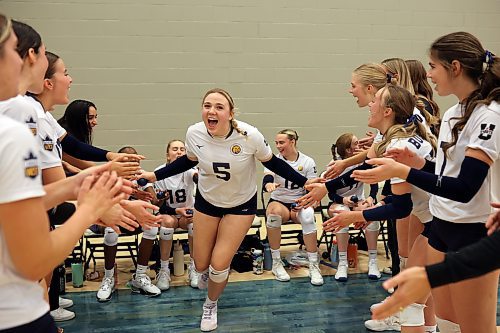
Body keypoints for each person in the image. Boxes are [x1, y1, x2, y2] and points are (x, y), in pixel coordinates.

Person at [353, 32, 500, 333]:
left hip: (472, 231)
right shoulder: (453, 112)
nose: (428, 73)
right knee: (446, 323)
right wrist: (418, 163)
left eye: (433, 66)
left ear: (455, 67)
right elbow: (447, 176)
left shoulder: (489, 116)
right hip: (442, 226)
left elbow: (464, 188)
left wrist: (403, 172)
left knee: (476, 328)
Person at [140, 88, 319, 332]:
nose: (211, 111)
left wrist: (304, 181)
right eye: (207, 105)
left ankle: (210, 305)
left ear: (231, 113)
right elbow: (188, 160)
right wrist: (154, 174)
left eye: (219, 107)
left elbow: (273, 163)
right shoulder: (194, 133)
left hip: (241, 205)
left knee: (219, 263)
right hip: (207, 202)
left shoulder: (249, 135)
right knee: (201, 264)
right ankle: (206, 275)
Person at [0, 13, 134, 332]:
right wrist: (90, 211)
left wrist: (100, 190)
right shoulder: (18, 119)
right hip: (13, 310)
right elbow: (34, 259)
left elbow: (38, 192)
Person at [300, 83, 438, 333]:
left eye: (376, 99)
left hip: (447, 224)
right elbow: (361, 174)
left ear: (388, 110)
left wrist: (357, 215)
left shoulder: (398, 146)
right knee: (415, 297)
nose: (370, 103)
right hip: (437, 222)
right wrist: (329, 186)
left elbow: (401, 208)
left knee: (412, 303)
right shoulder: (392, 136)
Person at [372, 202, 500, 322]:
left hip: (468, 228)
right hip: (441, 223)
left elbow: (464, 188)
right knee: (441, 318)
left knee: (413, 307)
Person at [97, 146, 161, 302]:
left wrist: (146, 188)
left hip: (136, 219)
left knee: (152, 228)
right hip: (114, 217)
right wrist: (132, 192)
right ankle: (108, 278)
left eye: (134, 159)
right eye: (128, 159)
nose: (132, 162)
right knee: (110, 231)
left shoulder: (141, 175)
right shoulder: (111, 175)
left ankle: (140, 276)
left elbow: (153, 199)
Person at [263, 129, 323, 286]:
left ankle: (313, 264)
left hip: (299, 202)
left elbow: (312, 188)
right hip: (279, 202)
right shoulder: (273, 160)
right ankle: (277, 263)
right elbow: (267, 177)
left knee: (309, 215)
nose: (278, 146)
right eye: (276, 143)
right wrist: (268, 184)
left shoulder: (307, 161)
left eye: (281, 142)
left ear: (292, 142)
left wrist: (307, 201)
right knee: (273, 215)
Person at [327, 133, 380, 282]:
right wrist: (343, 199)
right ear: (349, 150)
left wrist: (371, 198)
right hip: (339, 202)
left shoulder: (362, 163)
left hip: (359, 202)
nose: (360, 146)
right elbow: (330, 193)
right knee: (341, 214)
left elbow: (373, 182)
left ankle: (373, 261)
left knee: (372, 214)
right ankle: (342, 263)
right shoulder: (334, 165)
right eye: (356, 144)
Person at [153, 139, 199, 289]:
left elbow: (197, 176)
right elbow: (157, 206)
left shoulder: (189, 171)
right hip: (169, 213)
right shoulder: (160, 173)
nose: (179, 152)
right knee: (166, 223)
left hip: (188, 215)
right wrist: (174, 210)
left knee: (194, 222)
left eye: (182, 149)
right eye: (175, 149)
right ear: (167, 155)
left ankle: (194, 267)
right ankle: (164, 269)